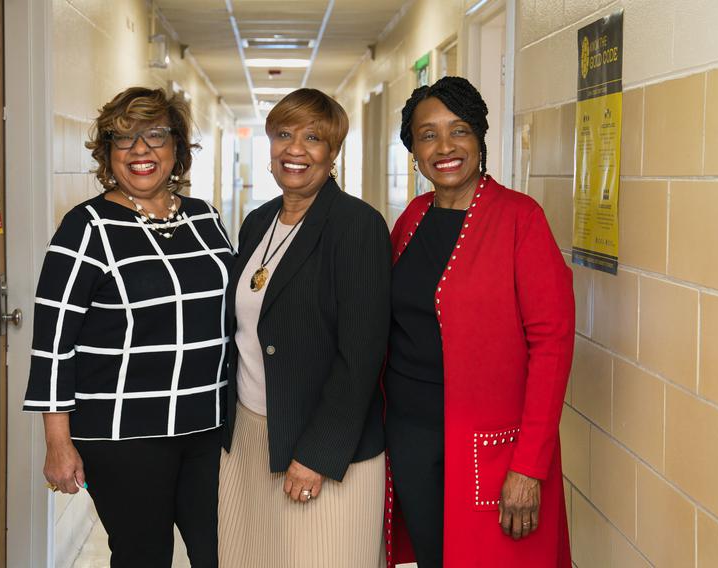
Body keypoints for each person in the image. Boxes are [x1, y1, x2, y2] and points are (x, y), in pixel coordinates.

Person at [22, 86, 234, 568]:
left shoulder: (205, 218)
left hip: (208, 424)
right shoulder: (86, 228)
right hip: (124, 433)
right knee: (144, 555)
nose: (140, 150)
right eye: (124, 139)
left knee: (223, 548)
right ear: (107, 154)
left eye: (155, 135)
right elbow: (53, 342)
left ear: (177, 147)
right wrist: (58, 441)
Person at [384, 76, 574, 567]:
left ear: (480, 138)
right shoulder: (414, 216)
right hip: (411, 436)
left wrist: (529, 467)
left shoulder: (520, 219)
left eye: (459, 130)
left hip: (490, 450)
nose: (444, 147)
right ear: (414, 149)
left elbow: (552, 347)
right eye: (428, 134)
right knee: (432, 556)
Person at [217, 88, 391, 568]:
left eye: (313, 138)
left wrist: (317, 454)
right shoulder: (257, 223)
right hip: (251, 437)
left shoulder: (356, 225)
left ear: (332, 153)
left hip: (323, 447)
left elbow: (361, 356)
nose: (295, 149)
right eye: (284, 135)